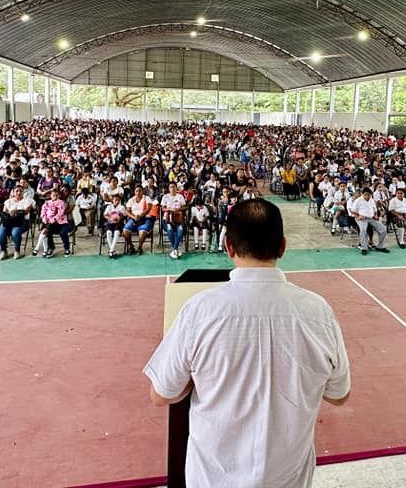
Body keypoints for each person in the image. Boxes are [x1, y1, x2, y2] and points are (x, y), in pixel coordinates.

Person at [143, 199, 350, 488]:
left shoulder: (200, 310)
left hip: (213, 480)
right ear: (283, 247)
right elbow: (339, 395)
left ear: (228, 247)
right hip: (288, 480)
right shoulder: (318, 311)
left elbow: (161, 394)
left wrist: (194, 380)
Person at [0, 185, 34, 259]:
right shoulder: (8, 201)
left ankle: (17, 251)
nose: (19, 192)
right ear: (13, 193)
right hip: (9, 221)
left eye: (20, 191)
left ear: (23, 192)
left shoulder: (28, 200)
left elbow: (26, 211)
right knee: (1, 232)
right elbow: (4, 213)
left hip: (22, 221)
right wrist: (15, 212)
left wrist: (15, 212)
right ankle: (3, 251)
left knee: (15, 232)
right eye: (16, 191)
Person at [350, 186, 388, 255]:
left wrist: (376, 215)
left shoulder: (372, 200)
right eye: (365, 195)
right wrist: (358, 216)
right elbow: (352, 211)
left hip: (371, 218)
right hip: (362, 218)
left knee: (383, 229)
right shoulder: (358, 200)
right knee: (363, 230)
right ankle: (364, 247)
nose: (367, 196)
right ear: (362, 194)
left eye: (369, 195)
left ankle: (380, 246)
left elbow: (375, 210)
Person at [36, 187, 72, 257]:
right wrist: (44, 217)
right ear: (50, 196)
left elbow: (61, 213)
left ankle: (67, 248)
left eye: (56, 195)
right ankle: (51, 248)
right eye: (53, 195)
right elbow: (43, 211)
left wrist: (54, 219)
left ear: (59, 196)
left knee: (63, 232)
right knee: (48, 231)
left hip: (61, 223)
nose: (55, 197)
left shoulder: (61, 202)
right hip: (50, 223)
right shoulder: (47, 203)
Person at [161, 181, 187, 259]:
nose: (172, 188)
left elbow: (185, 207)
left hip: (178, 219)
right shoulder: (165, 197)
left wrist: (179, 208)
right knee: (169, 230)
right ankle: (175, 249)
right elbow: (162, 208)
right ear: (169, 189)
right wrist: (169, 209)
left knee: (181, 230)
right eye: (171, 187)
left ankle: (174, 249)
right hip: (167, 219)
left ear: (176, 188)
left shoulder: (180, 196)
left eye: (174, 187)